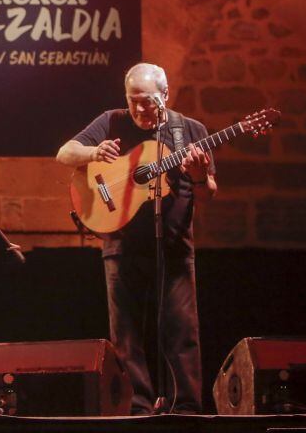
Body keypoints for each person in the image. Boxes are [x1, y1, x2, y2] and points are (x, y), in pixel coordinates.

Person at [55, 62, 216, 414]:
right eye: (133, 101)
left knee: (181, 334)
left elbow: (206, 197)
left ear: (166, 95)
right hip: (121, 248)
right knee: (126, 339)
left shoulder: (189, 130)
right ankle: (138, 409)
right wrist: (94, 152)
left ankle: (186, 410)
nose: (140, 109)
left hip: (174, 249)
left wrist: (201, 176)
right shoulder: (112, 121)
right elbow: (65, 153)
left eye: (148, 101)